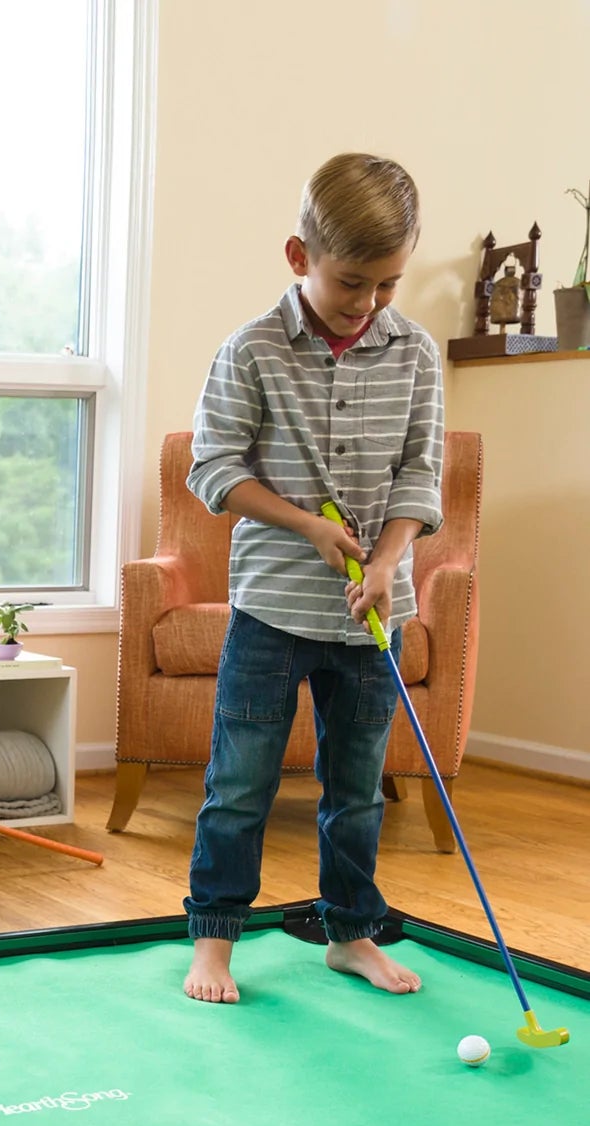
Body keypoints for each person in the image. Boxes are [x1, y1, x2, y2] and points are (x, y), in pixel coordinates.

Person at [182, 152, 444, 1004]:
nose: (368, 303)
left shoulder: (417, 356)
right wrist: (308, 526)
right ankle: (215, 940)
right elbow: (213, 468)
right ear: (300, 258)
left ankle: (351, 932)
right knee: (240, 784)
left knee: (357, 790)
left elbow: (419, 475)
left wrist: (390, 562)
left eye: (389, 284)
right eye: (351, 282)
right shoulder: (252, 349)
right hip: (270, 610)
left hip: (373, 618)